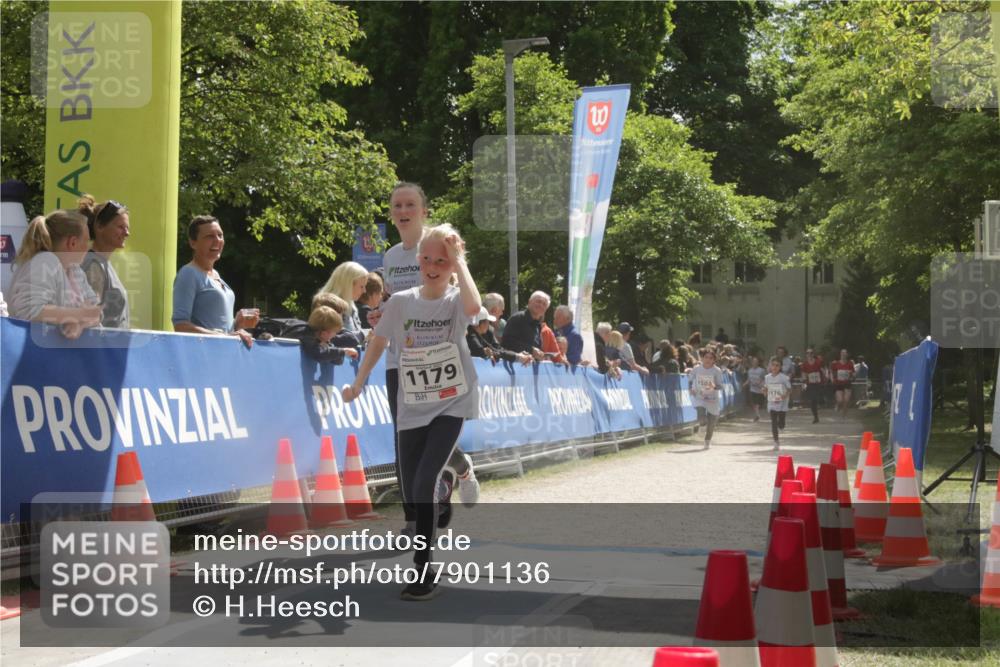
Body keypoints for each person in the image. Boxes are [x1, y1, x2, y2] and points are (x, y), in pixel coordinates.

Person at [343, 223, 480, 601]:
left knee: (422, 484)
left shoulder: (455, 300)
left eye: (442, 261)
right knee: (413, 485)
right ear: (418, 260)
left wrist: (460, 260)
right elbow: (379, 341)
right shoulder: (402, 301)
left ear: (452, 265)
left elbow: (473, 308)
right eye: (427, 260)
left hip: (452, 401)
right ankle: (444, 489)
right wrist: (359, 382)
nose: (433, 267)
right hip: (413, 403)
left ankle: (424, 569)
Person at [374, 183, 479, 534]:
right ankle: (414, 520)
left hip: (440, 358)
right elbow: (394, 302)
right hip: (400, 360)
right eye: (397, 205)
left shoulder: (440, 243)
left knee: (434, 435)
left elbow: (463, 296)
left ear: (424, 211)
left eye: (410, 205)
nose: (403, 211)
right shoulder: (390, 257)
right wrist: (380, 315)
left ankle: (456, 469)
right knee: (404, 440)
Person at [8, 210, 102, 338]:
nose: (88, 247)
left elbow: (96, 313)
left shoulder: (76, 270)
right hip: (30, 348)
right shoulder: (44, 261)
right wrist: (77, 316)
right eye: (86, 241)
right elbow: (29, 311)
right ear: (72, 243)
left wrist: (79, 322)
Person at [172, 215, 257, 348]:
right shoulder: (188, 273)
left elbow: (221, 331)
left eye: (220, 235)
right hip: (203, 355)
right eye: (209, 236)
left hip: (222, 354)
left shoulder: (216, 275)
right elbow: (180, 325)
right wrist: (222, 337)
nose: (217, 240)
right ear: (193, 243)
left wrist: (237, 324)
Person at [77, 195, 130, 328]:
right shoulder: (93, 265)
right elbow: (89, 318)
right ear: (100, 226)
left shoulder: (102, 264)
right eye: (121, 227)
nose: (127, 233)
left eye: (127, 228)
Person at [316, 261, 368, 345]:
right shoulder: (328, 305)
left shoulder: (351, 306)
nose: (364, 291)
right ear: (348, 285)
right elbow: (328, 340)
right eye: (361, 286)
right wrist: (363, 335)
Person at [466, 306, 531, 364]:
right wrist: (517, 357)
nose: (488, 324)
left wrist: (516, 354)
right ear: (479, 323)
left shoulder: (488, 332)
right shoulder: (470, 335)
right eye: (487, 321)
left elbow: (498, 349)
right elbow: (480, 351)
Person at [689, 348, 725, 449]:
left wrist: (714, 386)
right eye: (706, 357)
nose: (708, 360)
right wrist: (690, 388)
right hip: (699, 397)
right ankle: (702, 425)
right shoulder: (696, 369)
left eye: (711, 358)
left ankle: (707, 441)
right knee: (701, 415)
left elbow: (721, 386)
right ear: (702, 358)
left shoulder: (717, 370)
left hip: (712, 399)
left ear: (714, 360)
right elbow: (690, 380)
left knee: (712, 423)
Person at [501, 290, 549, 360]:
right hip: (515, 364)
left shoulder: (538, 325)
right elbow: (506, 342)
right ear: (529, 302)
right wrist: (531, 350)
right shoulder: (517, 318)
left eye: (544, 304)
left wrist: (539, 355)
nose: (541, 305)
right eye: (538, 301)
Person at [765, 356, 791, 451]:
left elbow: (789, 389)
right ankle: (776, 442)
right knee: (774, 423)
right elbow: (766, 388)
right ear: (770, 366)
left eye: (777, 365)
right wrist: (764, 390)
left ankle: (782, 425)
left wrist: (784, 396)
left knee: (781, 424)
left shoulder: (784, 378)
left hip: (782, 404)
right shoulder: (767, 377)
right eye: (773, 365)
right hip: (772, 403)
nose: (775, 367)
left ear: (780, 367)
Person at [800, 348, 826, 424]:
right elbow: (803, 374)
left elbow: (823, 370)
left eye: (811, 353)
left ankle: (822, 401)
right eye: (808, 353)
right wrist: (804, 382)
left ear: (813, 354)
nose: (809, 354)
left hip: (819, 383)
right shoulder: (805, 364)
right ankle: (815, 416)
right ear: (806, 355)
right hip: (810, 384)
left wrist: (825, 376)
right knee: (813, 400)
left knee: (819, 398)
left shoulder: (818, 362)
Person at [830, 348, 855, 418]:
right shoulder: (835, 363)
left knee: (846, 400)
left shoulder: (850, 363)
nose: (843, 354)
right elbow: (831, 372)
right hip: (838, 384)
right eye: (842, 353)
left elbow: (853, 373)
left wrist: (852, 375)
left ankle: (844, 416)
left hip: (847, 383)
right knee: (840, 400)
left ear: (847, 355)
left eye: (845, 353)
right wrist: (832, 379)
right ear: (840, 354)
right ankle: (838, 405)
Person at [743, 355, 766, 422]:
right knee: (754, 403)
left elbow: (764, 378)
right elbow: (749, 379)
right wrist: (744, 384)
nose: (754, 363)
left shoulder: (762, 370)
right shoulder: (749, 371)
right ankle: (757, 415)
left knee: (759, 404)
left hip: (760, 389)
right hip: (753, 389)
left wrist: (759, 383)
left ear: (758, 362)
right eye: (753, 361)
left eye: (756, 361)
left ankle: (758, 414)